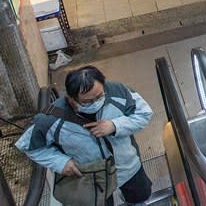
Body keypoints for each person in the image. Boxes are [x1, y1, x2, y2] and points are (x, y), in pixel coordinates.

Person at [16, 66, 153, 206]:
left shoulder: (118, 92)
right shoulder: (51, 119)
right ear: (71, 99)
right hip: (91, 179)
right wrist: (61, 162)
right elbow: (29, 146)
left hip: (127, 166)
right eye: (87, 101)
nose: (95, 103)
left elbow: (144, 114)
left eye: (99, 97)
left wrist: (115, 125)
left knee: (139, 197)